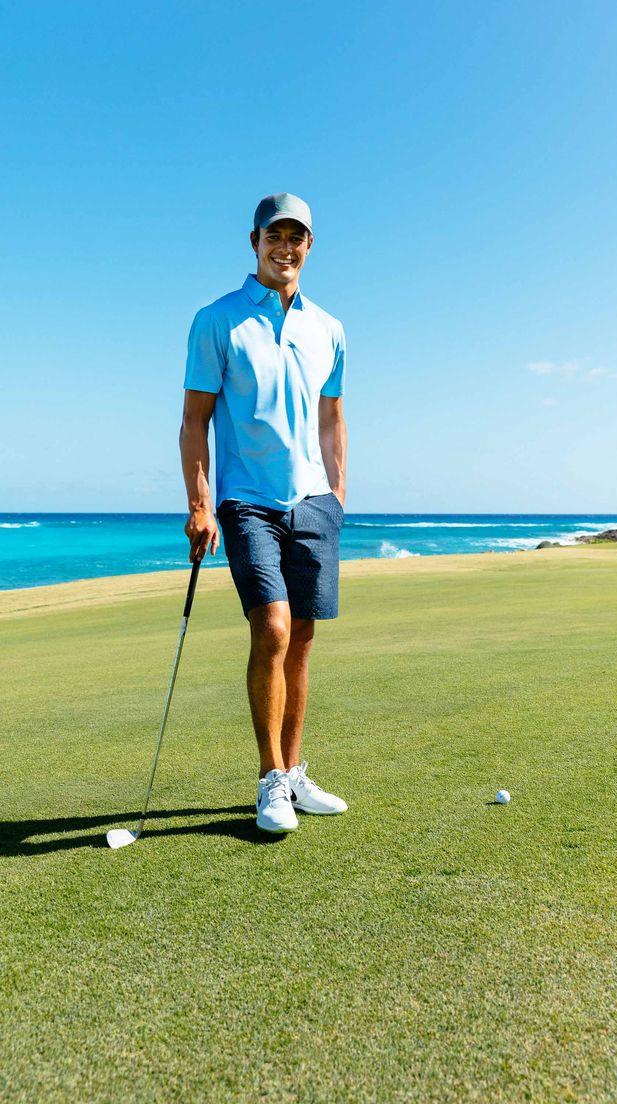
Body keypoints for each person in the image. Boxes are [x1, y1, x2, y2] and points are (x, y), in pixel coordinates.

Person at [179, 192, 348, 834]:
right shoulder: (216, 320)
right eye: (274, 236)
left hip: (314, 502)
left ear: (309, 247)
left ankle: (296, 771)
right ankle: (270, 778)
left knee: (302, 636)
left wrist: (337, 493)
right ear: (253, 242)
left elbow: (333, 417)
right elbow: (194, 421)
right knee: (272, 629)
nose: (286, 247)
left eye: (297, 237)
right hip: (246, 500)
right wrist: (200, 505)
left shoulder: (329, 328)